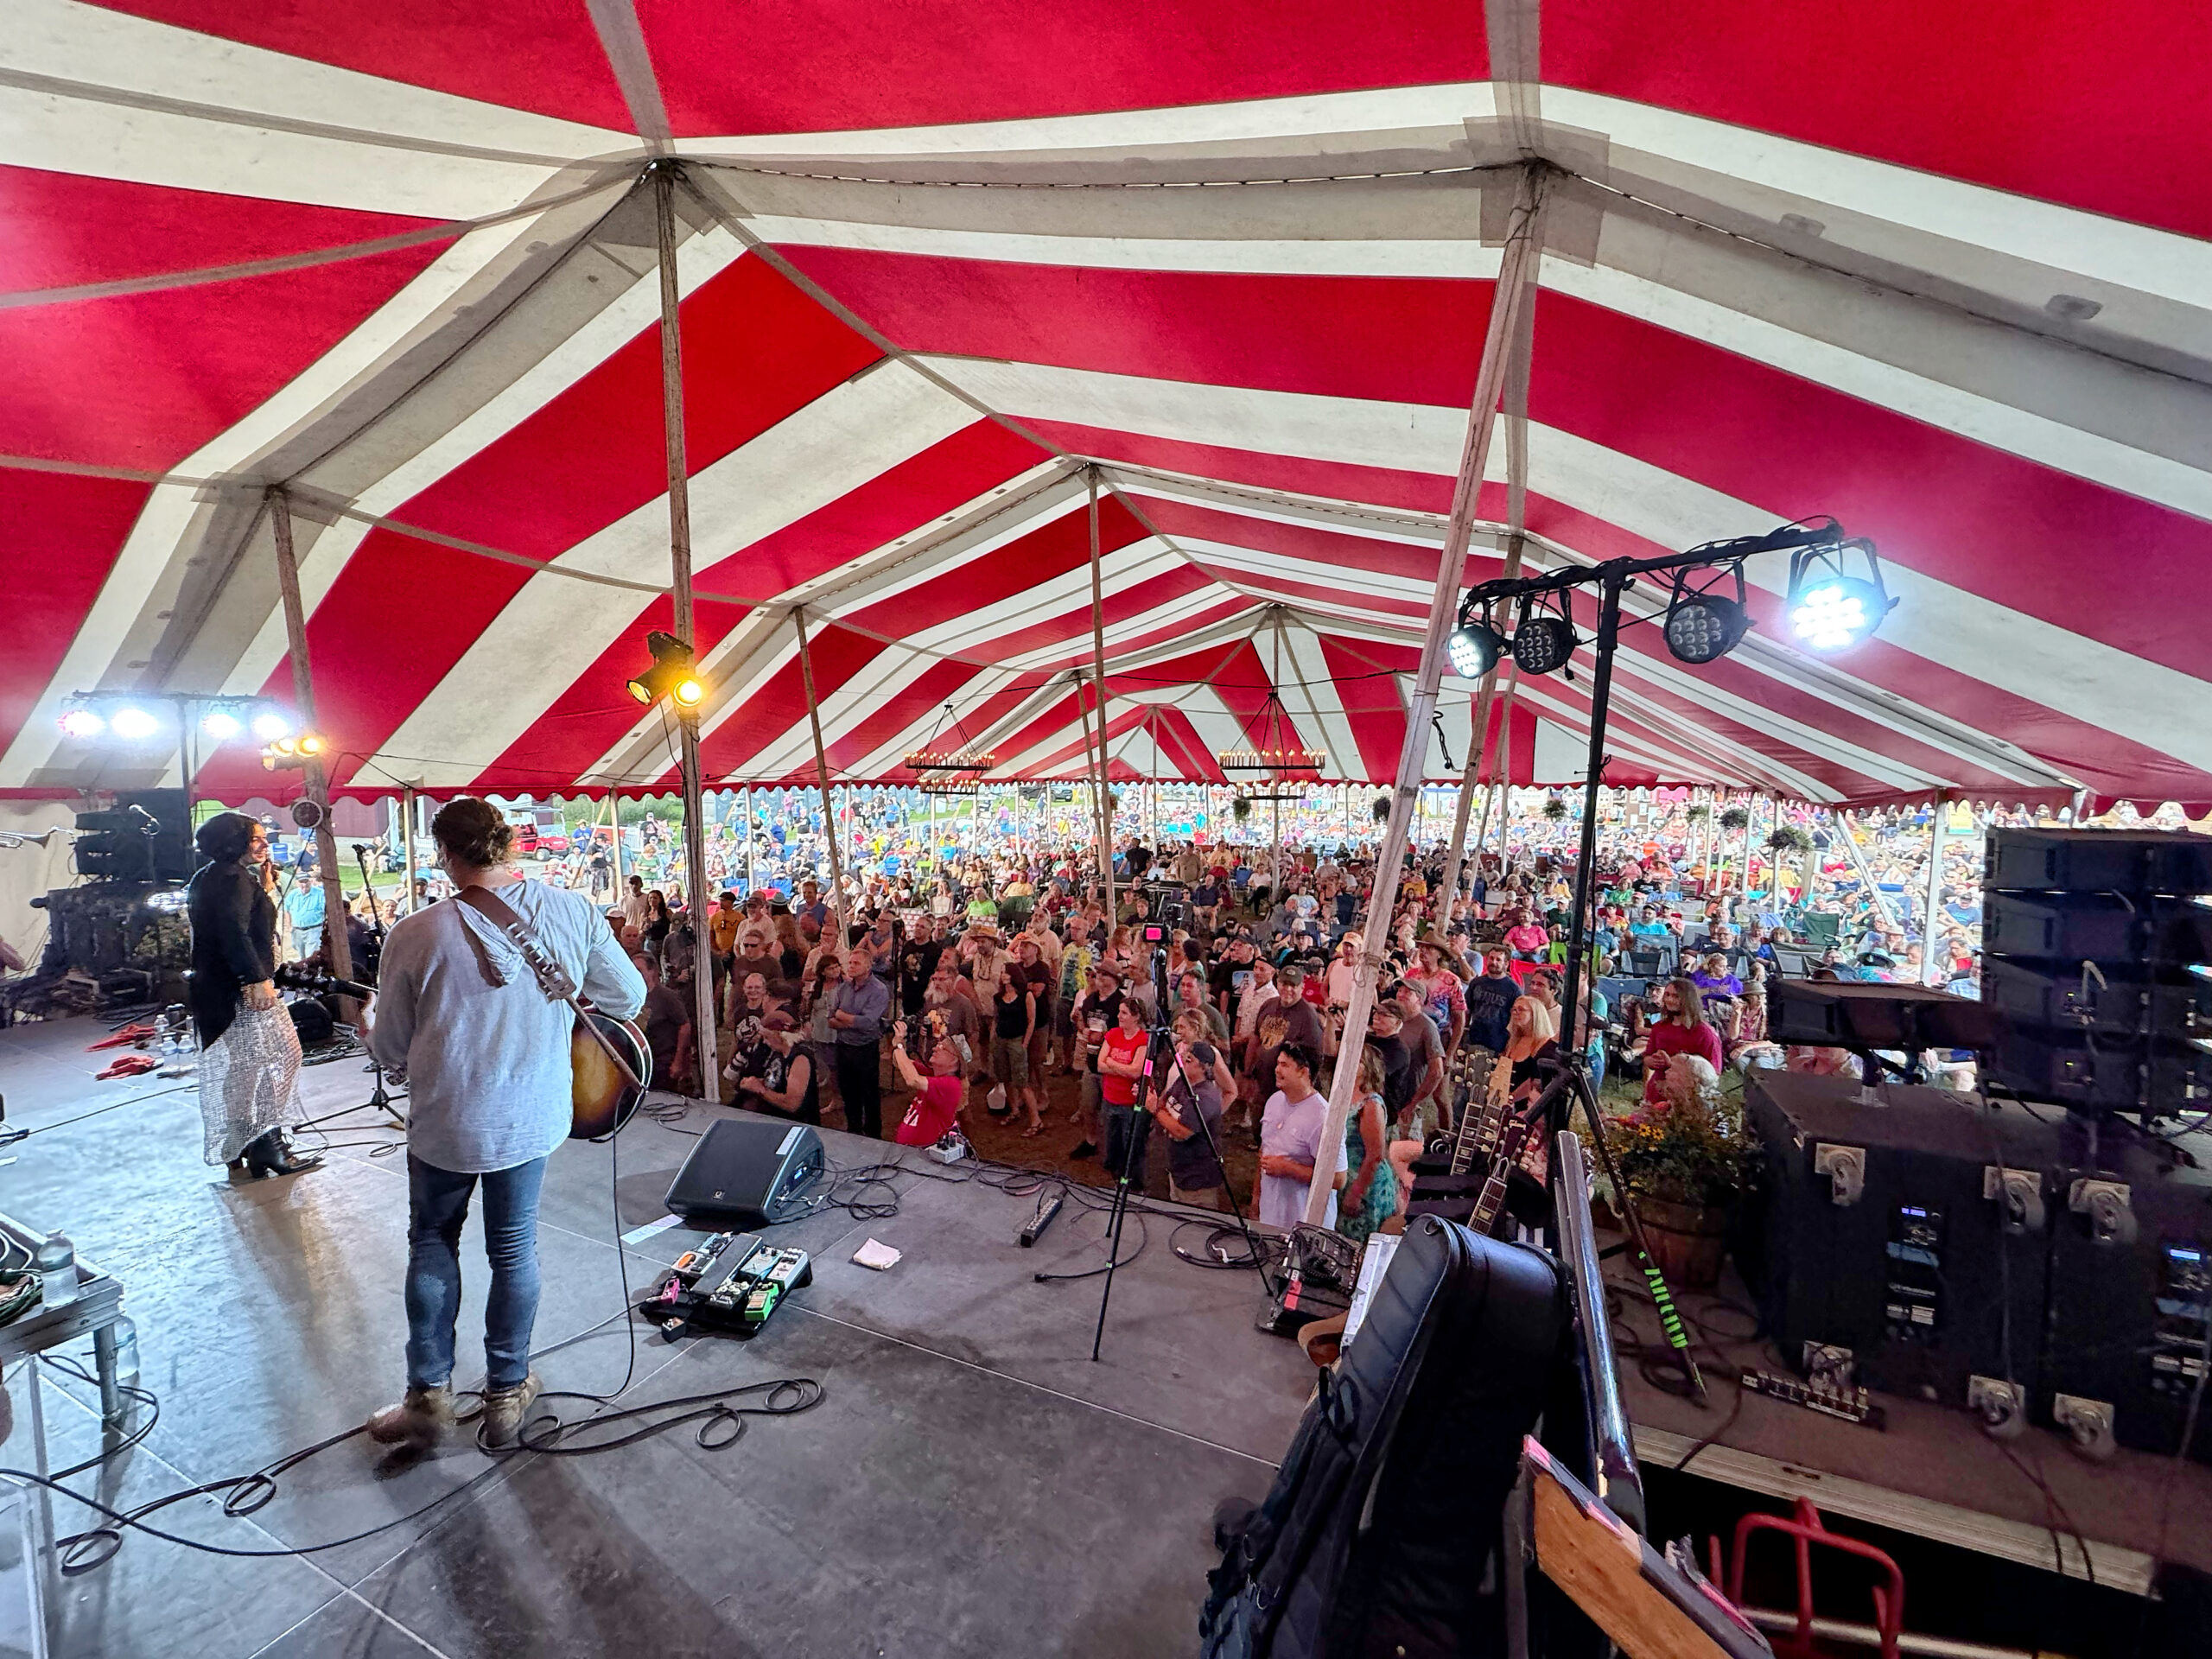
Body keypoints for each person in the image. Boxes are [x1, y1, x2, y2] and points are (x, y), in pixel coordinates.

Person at [364, 798, 645, 1450]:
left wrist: (370, 1027)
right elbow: (628, 998)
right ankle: (506, 1395)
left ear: (445, 853)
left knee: (432, 1243)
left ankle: (428, 1396)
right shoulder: (572, 911)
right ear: (510, 844)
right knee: (514, 1248)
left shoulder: (416, 932)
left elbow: (392, 1047)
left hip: (447, 1123)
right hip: (529, 1118)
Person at [185, 812, 320, 1178]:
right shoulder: (234, 881)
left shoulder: (210, 876)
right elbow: (234, 932)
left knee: (246, 1065)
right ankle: (266, 1140)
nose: (264, 845)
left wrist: (264, 889)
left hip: (216, 989)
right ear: (235, 843)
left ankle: (240, 1140)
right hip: (240, 989)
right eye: (256, 839)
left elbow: (240, 922)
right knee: (284, 1055)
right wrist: (256, 979)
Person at [1255, 1044, 1346, 1230]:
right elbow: (1264, 1152)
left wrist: (1288, 1169)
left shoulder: (1323, 1118)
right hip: (1270, 1216)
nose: (1277, 1069)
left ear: (1303, 1072)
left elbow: (1338, 1179)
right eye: (1278, 1063)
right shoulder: (1274, 1101)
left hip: (1305, 1223)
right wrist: (1256, 1197)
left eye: (1284, 1065)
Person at [1147, 1039, 1226, 1209]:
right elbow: (1164, 1100)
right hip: (1179, 1170)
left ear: (1204, 1067)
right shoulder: (1183, 1081)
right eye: (1184, 1056)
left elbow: (1182, 1132)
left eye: (1189, 1059)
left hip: (1198, 1180)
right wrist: (1153, 1099)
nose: (1183, 1061)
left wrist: (1155, 1110)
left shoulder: (1205, 1097)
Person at [826, 945, 890, 1137]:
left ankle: (873, 1135)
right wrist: (850, 1021)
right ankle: (853, 1130)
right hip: (844, 1047)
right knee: (848, 1093)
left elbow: (867, 1023)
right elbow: (830, 1019)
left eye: (856, 963)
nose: (851, 966)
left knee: (869, 1095)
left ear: (868, 967)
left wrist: (842, 1016)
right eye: (850, 963)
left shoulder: (879, 990)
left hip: (866, 1049)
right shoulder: (843, 988)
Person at [1633, 976, 1726, 1109]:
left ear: (1688, 999)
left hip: (1686, 1100)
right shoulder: (1659, 1027)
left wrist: (1673, 1065)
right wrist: (1651, 1061)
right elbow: (1648, 1056)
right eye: (1667, 995)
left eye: (1676, 996)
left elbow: (1713, 1073)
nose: (1669, 1000)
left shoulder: (1704, 1033)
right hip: (1655, 1094)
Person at [1338, 1046, 1398, 1244]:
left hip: (1366, 1185)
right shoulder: (1344, 1094)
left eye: (1358, 1060)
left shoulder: (1371, 1105)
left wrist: (1356, 1192)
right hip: (1346, 1177)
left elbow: (1375, 1155)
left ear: (1367, 1068)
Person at [1097, 995, 1154, 1191]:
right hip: (1110, 1099)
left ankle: (1135, 1184)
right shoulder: (1113, 1034)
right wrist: (1122, 1067)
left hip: (1130, 1103)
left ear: (1136, 1017)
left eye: (1124, 1013)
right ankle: (1117, 1178)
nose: (1119, 1016)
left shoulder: (1143, 1039)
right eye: (1119, 1012)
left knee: (1132, 1144)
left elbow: (1136, 1071)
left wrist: (1111, 1062)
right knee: (1112, 1143)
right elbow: (1100, 1065)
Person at [890, 1017, 964, 1147]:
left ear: (954, 1061)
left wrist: (899, 1046)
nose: (935, 1048)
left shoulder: (951, 1084)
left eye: (942, 1048)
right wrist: (901, 1041)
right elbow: (899, 1063)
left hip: (925, 1152)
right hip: (909, 1149)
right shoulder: (933, 1074)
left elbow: (912, 1080)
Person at [737, 1010, 818, 1123]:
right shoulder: (778, 1053)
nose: (764, 1042)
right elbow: (777, 1081)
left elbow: (792, 1104)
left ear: (781, 1035)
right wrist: (754, 1083)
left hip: (793, 1122)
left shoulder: (800, 1059)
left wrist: (761, 1090)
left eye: (767, 1037)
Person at [633, 951, 694, 1096]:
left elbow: (685, 1026)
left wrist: (678, 1061)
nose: (634, 974)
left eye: (639, 970)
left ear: (652, 971)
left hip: (663, 1062)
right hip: (641, 1061)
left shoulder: (667, 997)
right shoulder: (633, 996)